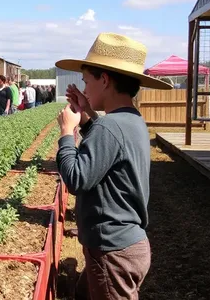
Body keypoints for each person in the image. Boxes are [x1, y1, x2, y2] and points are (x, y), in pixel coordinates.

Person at [55, 33, 172, 299]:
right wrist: (87, 116)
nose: (84, 90)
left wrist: (66, 132)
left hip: (112, 251)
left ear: (104, 80)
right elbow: (108, 147)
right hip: (125, 244)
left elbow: (76, 178)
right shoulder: (131, 120)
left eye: (87, 82)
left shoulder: (110, 127)